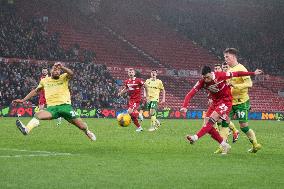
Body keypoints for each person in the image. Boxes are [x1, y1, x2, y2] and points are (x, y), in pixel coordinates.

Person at [181, 65, 263, 154]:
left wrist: (253, 73)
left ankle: (195, 137)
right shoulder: (202, 82)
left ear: (211, 73)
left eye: (207, 77)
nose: (206, 80)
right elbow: (190, 94)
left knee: (212, 120)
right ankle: (224, 145)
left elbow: (237, 73)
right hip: (215, 103)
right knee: (206, 125)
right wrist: (184, 106)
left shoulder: (221, 75)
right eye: (204, 77)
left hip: (225, 101)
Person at [13, 62, 96, 141]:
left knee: (82, 126)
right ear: (51, 71)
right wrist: (23, 100)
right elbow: (35, 91)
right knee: (38, 114)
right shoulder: (44, 81)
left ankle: (87, 132)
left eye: (58, 70)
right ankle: (26, 130)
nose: (56, 71)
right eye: (54, 69)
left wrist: (62, 67)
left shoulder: (64, 77)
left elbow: (71, 73)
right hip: (52, 108)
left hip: (66, 107)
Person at [224, 48, 262, 153]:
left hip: (241, 101)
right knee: (224, 121)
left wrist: (235, 85)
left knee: (244, 126)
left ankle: (255, 144)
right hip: (230, 101)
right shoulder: (228, 70)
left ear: (234, 57)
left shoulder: (241, 68)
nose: (226, 59)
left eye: (227, 57)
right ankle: (223, 147)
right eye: (224, 57)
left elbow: (249, 84)